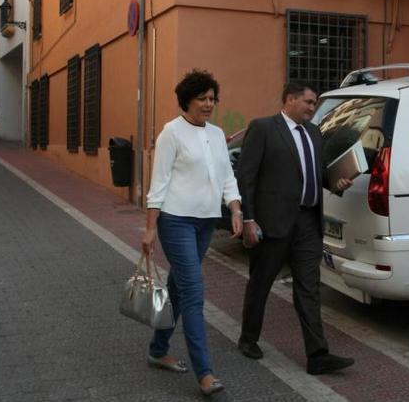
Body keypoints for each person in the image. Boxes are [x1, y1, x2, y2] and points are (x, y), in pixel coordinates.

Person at [237, 82, 355, 375]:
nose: (313, 108)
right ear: (290, 99)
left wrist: (335, 182)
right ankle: (248, 338)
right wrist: (248, 219)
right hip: (272, 223)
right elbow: (246, 176)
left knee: (309, 289)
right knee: (260, 285)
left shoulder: (314, 133)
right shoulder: (263, 128)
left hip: (307, 223)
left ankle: (318, 355)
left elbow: (318, 172)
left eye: (314, 103)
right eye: (309, 102)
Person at [142, 69, 243, 396]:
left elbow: (227, 175)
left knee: (177, 288)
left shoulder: (216, 133)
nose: (208, 104)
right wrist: (149, 229)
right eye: (202, 98)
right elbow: (159, 183)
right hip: (176, 221)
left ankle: (158, 349)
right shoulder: (171, 133)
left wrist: (235, 207)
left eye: (212, 98)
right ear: (187, 99)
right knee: (194, 292)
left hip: (205, 223)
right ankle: (205, 373)